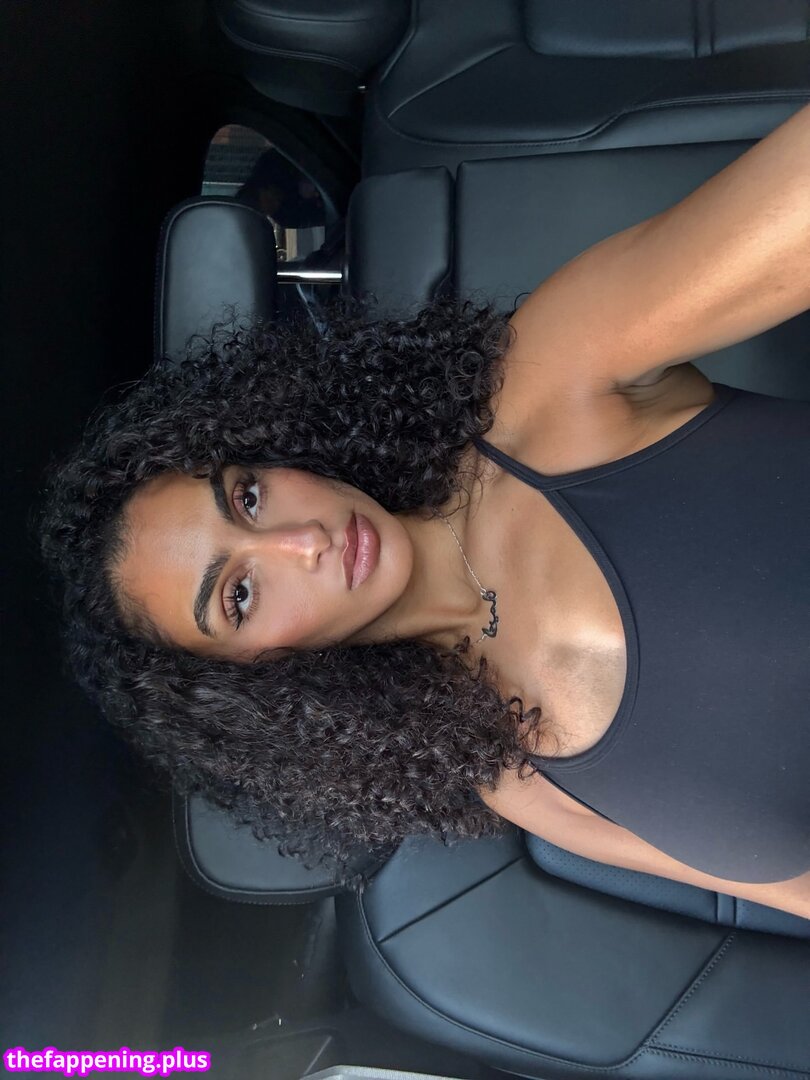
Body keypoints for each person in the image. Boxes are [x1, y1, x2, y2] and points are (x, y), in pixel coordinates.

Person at [40, 105, 810, 912]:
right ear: (252, 684)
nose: (301, 542)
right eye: (239, 594)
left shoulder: (543, 384)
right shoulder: (524, 787)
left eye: (249, 496)